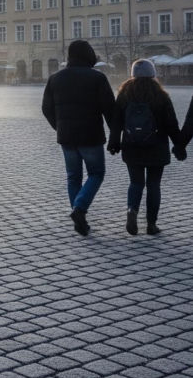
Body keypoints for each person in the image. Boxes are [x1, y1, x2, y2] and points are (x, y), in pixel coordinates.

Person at [42, 40, 115, 236]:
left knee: (73, 177)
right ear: (88, 55)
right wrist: (116, 136)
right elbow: (110, 109)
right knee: (96, 173)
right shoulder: (97, 78)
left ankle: (79, 219)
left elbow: (46, 108)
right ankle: (79, 209)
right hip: (91, 135)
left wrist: (59, 126)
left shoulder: (55, 78)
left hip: (66, 137)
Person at [107, 59, 183, 236]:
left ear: (132, 74)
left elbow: (116, 122)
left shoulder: (124, 94)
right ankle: (151, 224)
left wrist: (114, 142)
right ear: (152, 74)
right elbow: (171, 124)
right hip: (157, 146)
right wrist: (179, 145)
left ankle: (131, 210)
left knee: (136, 182)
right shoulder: (161, 95)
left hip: (131, 146)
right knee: (154, 184)